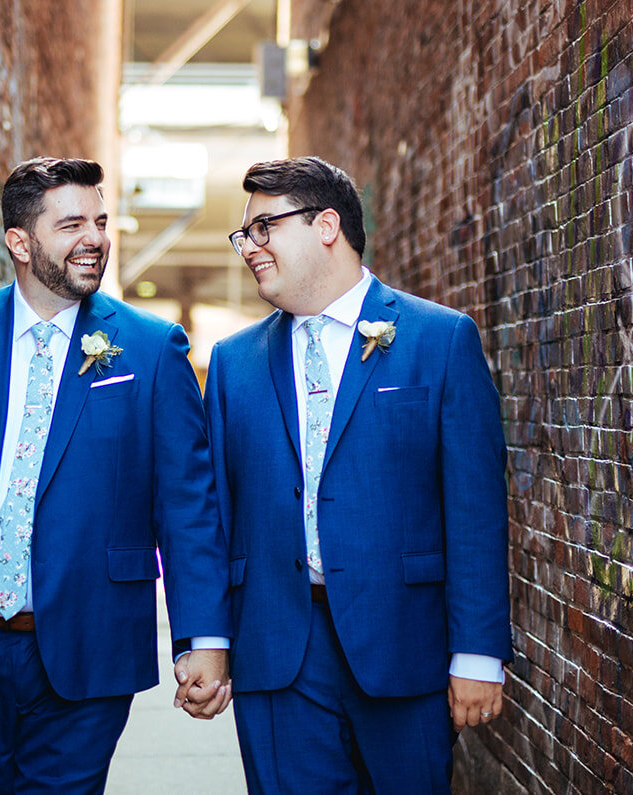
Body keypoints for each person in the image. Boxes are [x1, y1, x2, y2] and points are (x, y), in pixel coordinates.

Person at [0, 156, 231, 794]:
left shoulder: (150, 349)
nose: (93, 237)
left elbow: (186, 507)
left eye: (99, 220)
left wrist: (202, 636)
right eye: (71, 224)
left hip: (91, 644)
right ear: (20, 241)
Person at [196, 156, 510, 793]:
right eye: (243, 234)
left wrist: (478, 652)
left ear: (327, 226)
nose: (248, 247)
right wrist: (207, 637)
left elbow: (475, 507)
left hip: (404, 648)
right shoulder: (234, 363)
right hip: (277, 652)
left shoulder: (439, 340)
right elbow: (213, 516)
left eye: (263, 228)